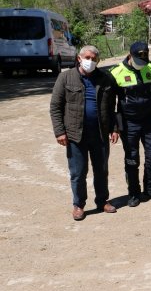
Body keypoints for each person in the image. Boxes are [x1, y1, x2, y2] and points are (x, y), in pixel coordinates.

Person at [50, 45, 119, 220]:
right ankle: (78, 205)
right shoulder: (65, 77)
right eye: (87, 57)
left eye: (94, 59)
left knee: (101, 171)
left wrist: (115, 128)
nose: (91, 61)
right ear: (79, 58)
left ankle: (102, 201)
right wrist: (60, 132)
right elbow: (55, 107)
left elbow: (112, 107)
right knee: (78, 173)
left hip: (100, 134)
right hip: (75, 135)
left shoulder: (105, 79)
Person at [110, 41, 151, 207]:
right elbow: (112, 104)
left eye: (144, 61)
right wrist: (115, 127)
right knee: (132, 159)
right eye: (138, 61)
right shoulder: (116, 72)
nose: (142, 65)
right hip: (129, 123)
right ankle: (133, 193)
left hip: (149, 120)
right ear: (130, 56)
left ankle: (150, 188)